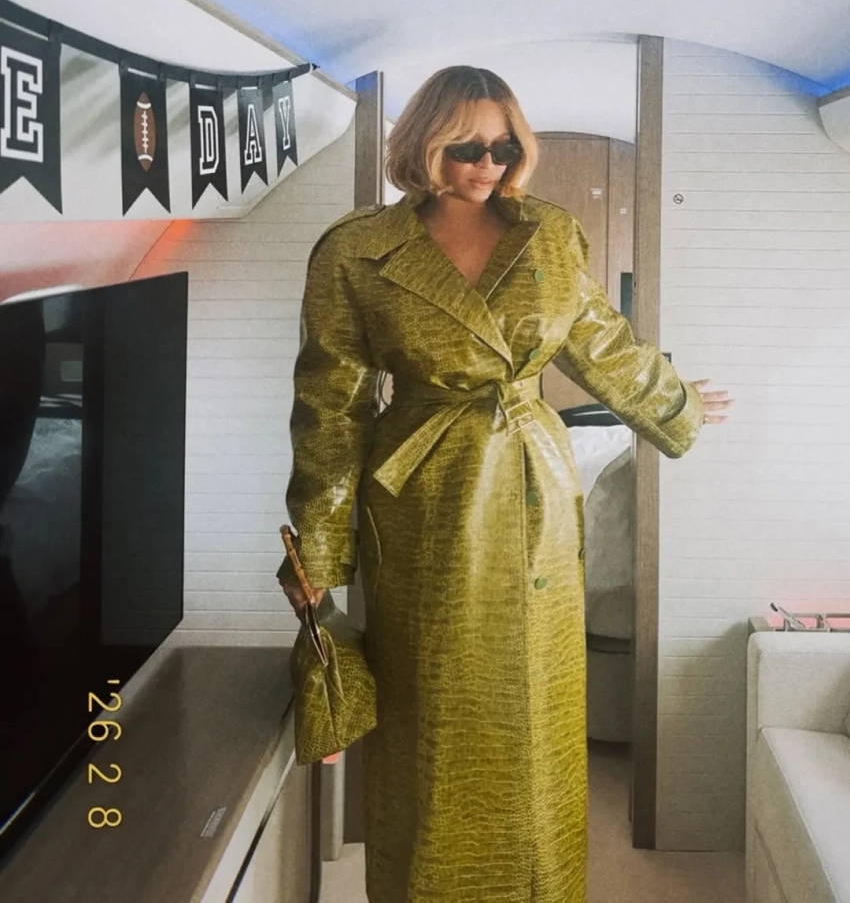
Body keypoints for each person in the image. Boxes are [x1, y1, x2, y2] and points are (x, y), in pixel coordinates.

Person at [278, 65, 732, 903]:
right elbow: (331, 406)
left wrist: (675, 399)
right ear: (422, 145)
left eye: (504, 147)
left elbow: (598, 339)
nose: (487, 164)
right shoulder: (356, 250)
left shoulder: (549, 235)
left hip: (533, 486)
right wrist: (317, 550)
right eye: (465, 147)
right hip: (422, 496)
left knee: (538, 702)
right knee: (431, 710)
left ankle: (540, 884)